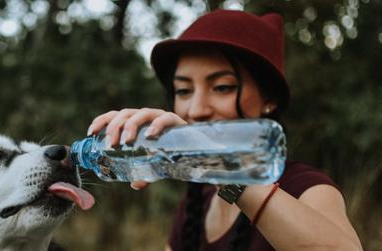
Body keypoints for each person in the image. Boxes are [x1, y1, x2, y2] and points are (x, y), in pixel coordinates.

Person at [87, 10, 362, 251]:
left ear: (269, 99)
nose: (195, 110)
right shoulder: (194, 204)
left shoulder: (306, 187)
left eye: (222, 87)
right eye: (183, 90)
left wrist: (218, 164)